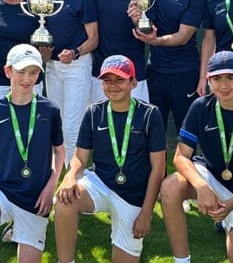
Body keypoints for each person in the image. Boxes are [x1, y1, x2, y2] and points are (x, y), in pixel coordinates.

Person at [161, 51, 233, 263]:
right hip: (210, 177)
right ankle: (182, 260)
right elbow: (181, 156)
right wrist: (201, 187)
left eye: (230, 78)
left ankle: (225, 218)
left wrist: (231, 204)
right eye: (217, 79)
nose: (223, 85)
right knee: (170, 186)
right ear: (208, 80)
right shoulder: (201, 106)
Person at [55, 55, 166, 263]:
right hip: (100, 184)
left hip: (133, 195)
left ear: (133, 82)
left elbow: (158, 168)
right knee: (64, 201)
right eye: (107, 80)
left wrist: (146, 213)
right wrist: (70, 176)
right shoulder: (93, 112)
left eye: (120, 80)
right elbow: (80, 156)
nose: (113, 86)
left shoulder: (150, 114)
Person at [0, 44, 65, 263]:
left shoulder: (50, 110)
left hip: (35, 200)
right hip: (1, 189)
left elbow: (59, 151)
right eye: (21, 72)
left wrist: (50, 186)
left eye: (33, 73)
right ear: (8, 71)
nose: (27, 79)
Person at [131, 0, 207, 134]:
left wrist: (154, 41)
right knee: (154, 132)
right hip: (155, 72)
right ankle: (158, 167)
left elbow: (183, 36)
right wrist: (135, 18)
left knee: (186, 133)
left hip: (185, 73)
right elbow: (143, 21)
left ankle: (186, 166)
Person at [42, 0, 99, 164]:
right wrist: (45, 54)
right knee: (57, 124)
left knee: (72, 125)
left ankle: (75, 181)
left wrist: (74, 52)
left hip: (77, 66)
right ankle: (60, 178)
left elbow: (94, 39)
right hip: (52, 69)